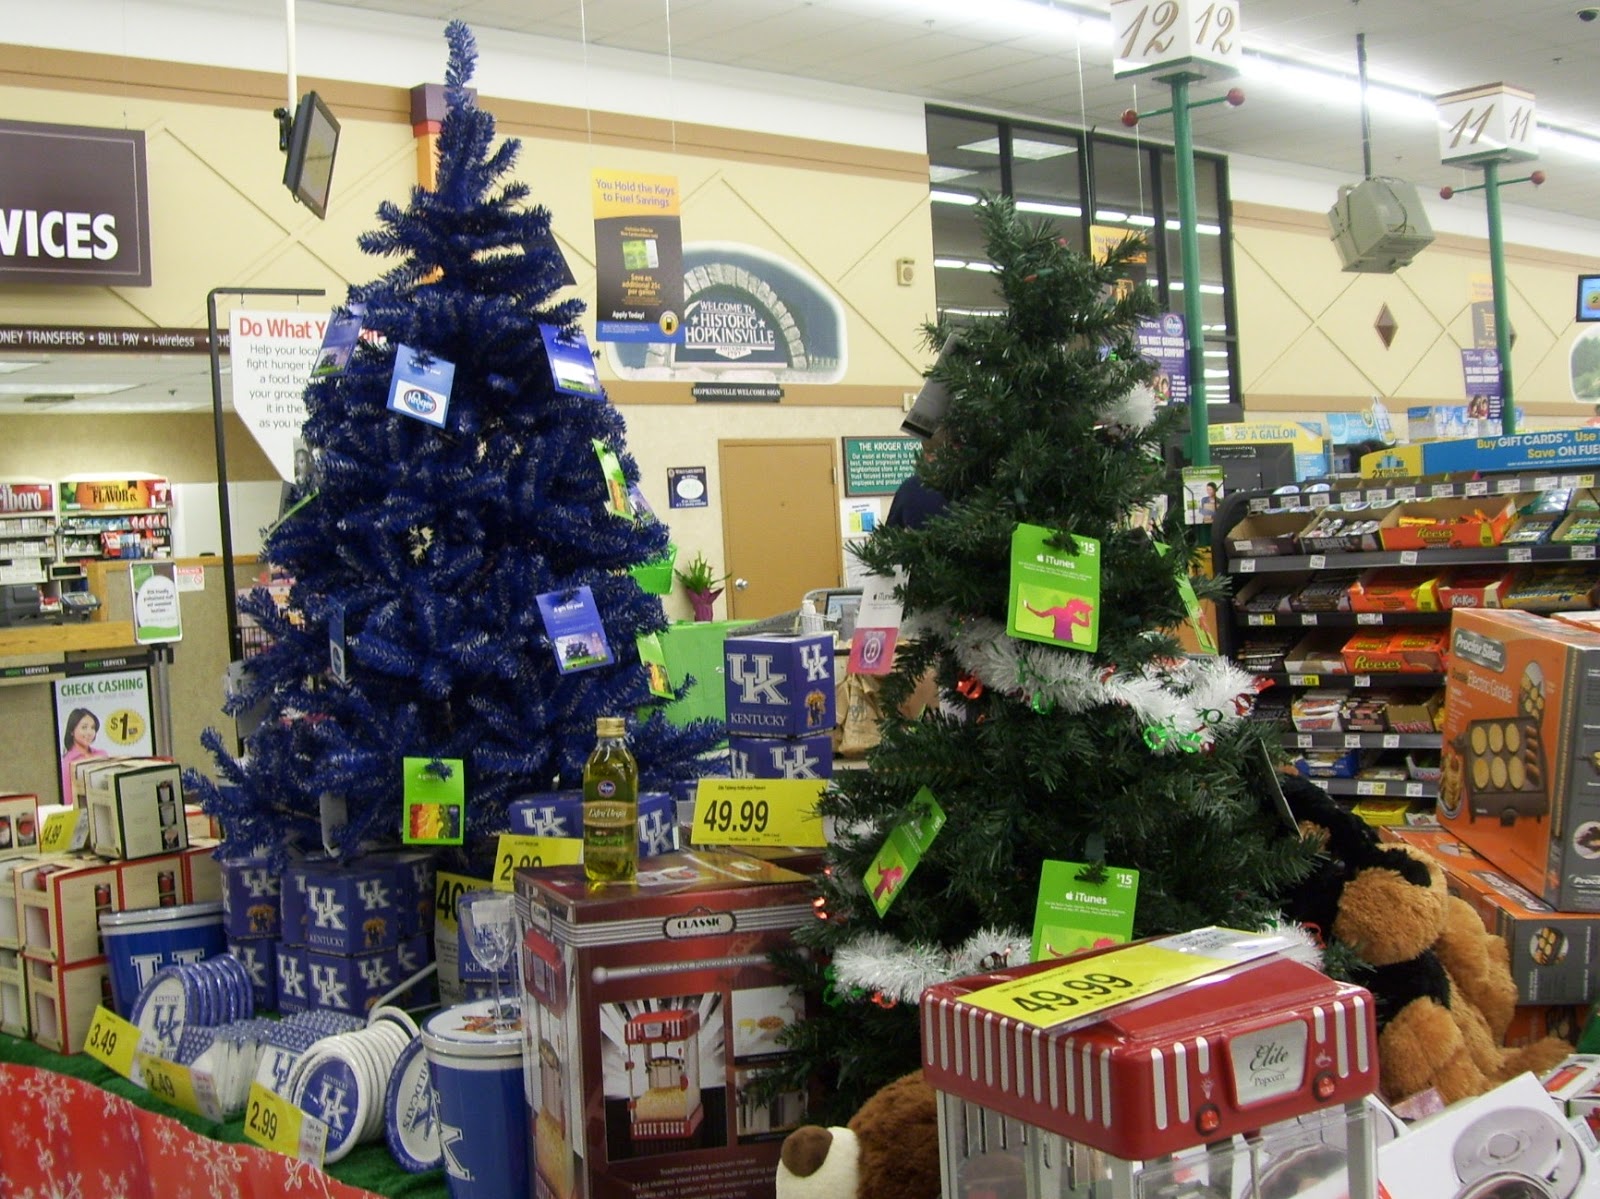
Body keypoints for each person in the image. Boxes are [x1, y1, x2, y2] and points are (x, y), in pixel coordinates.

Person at [60, 707, 108, 804]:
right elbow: (68, 801)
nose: (89, 732)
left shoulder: (102, 755)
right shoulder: (67, 763)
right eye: (84, 727)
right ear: (72, 731)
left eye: (93, 728)